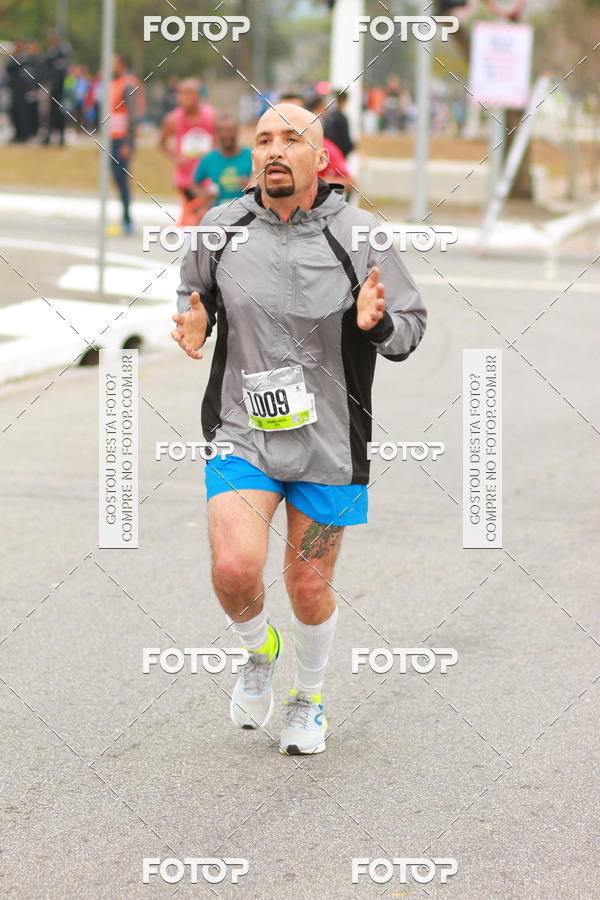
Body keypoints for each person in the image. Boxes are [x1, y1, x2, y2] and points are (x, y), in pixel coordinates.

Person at [171, 103, 426, 755]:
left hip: (330, 444)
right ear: (253, 157)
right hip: (242, 430)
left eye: (292, 139)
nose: (275, 150)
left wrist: (377, 325)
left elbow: (410, 328)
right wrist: (193, 323)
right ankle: (259, 651)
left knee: (307, 584)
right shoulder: (220, 228)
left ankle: (308, 697)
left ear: (322, 158)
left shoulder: (361, 234)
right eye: (264, 140)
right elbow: (192, 292)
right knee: (233, 568)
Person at [159, 78, 216, 226]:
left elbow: (221, 139)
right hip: (186, 178)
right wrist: (175, 157)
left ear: (198, 95)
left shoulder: (211, 116)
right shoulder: (173, 119)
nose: (183, 98)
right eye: (180, 94)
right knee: (196, 213)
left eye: (188, 94)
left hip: (208, 176)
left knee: (204, 215)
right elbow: (162, 143)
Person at [109, 54, 144, 234]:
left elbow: (132, 115)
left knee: (122, 180)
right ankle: (123, 217)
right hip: (112, 138)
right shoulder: (115, 82)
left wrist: (127, 143)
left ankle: (127, 220)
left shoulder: (128, 83)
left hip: (122, 140)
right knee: (115, 178)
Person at [191, 115, 252, 216]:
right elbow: (194, 183)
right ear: (217, 133)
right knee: (200, 215)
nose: (227, 134)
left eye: (230, 130)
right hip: (218, 213)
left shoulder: (251, 156)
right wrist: (204, 195)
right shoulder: (208, 159)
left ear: (237, 131)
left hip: (246, 212)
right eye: (223, 131)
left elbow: (265, 183)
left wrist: (251, 186)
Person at [42, 30, 71, 146]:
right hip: (53, 86)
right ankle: (50, 136)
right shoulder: (51, 51)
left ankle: (61, 137)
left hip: (62, 86)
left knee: (61, 111)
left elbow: (61, 67)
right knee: (52, 112)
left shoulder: (62, 50)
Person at [6, 38, 28, 143]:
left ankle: (24, 135)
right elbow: (8, 67)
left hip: (22, 90)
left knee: (22, 113)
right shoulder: (13, 57)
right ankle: (17, 133)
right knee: (14, 113)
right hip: (14, 89)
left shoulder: (24, 57)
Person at [324, 89, 355, 158]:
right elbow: (345, 141)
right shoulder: (342, 118)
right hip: (339, 153)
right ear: (344, 101)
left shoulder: (328, 116)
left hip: (329, 151)